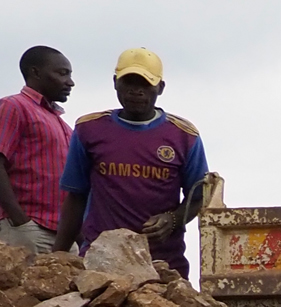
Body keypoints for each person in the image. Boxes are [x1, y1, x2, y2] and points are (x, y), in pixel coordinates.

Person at [54, 47, 211, 278]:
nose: (136, 91)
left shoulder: (183, 136)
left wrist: (173, 218)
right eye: (129, 83)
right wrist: (57, 255)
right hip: (101, 263)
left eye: (145, 84)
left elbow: (198, 197)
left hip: (162, 264)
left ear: (160, 87)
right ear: (115, 83)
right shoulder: (90, 129)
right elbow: (75, 196)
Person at [0, 46, 75, 252]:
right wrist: (21, 221)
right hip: (25, 230)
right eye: (62, 73)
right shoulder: (13, 106)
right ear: (35, 72)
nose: (70, 82)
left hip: (62, 236)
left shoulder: (63, 125)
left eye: (70, 74)